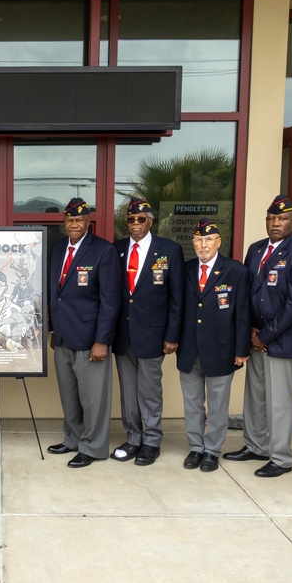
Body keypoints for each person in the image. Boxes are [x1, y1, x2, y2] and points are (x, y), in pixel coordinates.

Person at [225, 195, 292, 477]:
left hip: (282, 340)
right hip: (256, 337)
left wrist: (265, 334)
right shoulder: (256, 249)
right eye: (271, 218)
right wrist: (251, 329)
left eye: (282, 219)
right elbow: (247, 291)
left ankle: (281, 457)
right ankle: (255, 445)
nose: (276, 223)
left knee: (280, 402)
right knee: (255, 397)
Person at [46, 197, 120, 468]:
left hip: (91, 339)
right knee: (69, 394)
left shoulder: (102, 250)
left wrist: (102, 340)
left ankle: (93, 446)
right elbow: (57, 294)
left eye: (78, 219)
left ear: (88, 222)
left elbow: (110, 300)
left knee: (93, 398)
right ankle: (73, 438)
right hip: (64, 336)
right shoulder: (57, 249)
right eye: (69, 219)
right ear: (64, 222)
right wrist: (54, 329)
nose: (73, 224)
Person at [111, 198, 184, 466]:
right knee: (128, 392)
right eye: (131, 219)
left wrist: (172, 335)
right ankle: (133, 438)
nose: (136, 224)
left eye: (141, 219)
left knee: (150, 390)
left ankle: (152, 441)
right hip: (123, 334)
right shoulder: (116, 250)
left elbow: (177, 297)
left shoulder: (169, 250)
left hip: (153, 335)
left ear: (150, 221)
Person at [176, 218, 250, 472]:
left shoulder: (236, 271)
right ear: (193, 243)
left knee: (218, 406)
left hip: (221, 349)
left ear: (218, 241)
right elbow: (178, 308)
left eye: (208, 239)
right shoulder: (184, 270)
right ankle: (196, 448)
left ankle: (212, 451)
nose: (203, 244)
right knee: (193, 404)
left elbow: (242, 315)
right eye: (198, 240)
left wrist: (242, 350)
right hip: (189, 349)